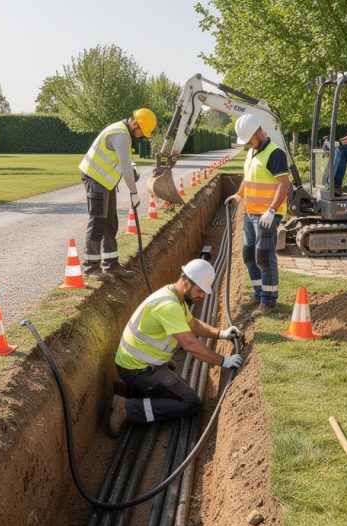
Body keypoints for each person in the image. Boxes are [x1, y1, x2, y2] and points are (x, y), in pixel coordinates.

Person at [109, 259, 243, 436]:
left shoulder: (175, 297)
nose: (202, 296)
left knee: (174, 378)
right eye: (200, 291)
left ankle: (131, 390)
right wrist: (223, 361)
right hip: (137, 369)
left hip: (137, 363)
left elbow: (193, 324)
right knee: (190, 404)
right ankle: (127, 408)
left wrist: (221, 333)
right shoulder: (169, 306)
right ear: (186, 283)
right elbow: (189, 344)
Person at [78, 108, 157, 281]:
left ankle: (111, 264)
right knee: (98, 221)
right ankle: (91, 267)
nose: (141, 136)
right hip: (95, 178)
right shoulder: (120, 134)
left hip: (106, 182)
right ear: (135, 123)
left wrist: (134, 166)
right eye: (142, 132)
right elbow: (125, 168)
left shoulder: (124, 134)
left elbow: (127, 159)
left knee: (111, 222)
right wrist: (134, 192)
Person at [231, 114, 292, 317]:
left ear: (259, 132)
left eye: (249, 139)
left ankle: (269, 301)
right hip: (251, 213)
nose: (247, 143)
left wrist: (272, 210)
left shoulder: (275, 154)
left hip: (266, 215)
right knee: (248, 254)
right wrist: (238, 195)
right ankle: (258, 293)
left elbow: (284, 184)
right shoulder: (252, 151)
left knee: (264, 257)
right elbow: (248, 178)